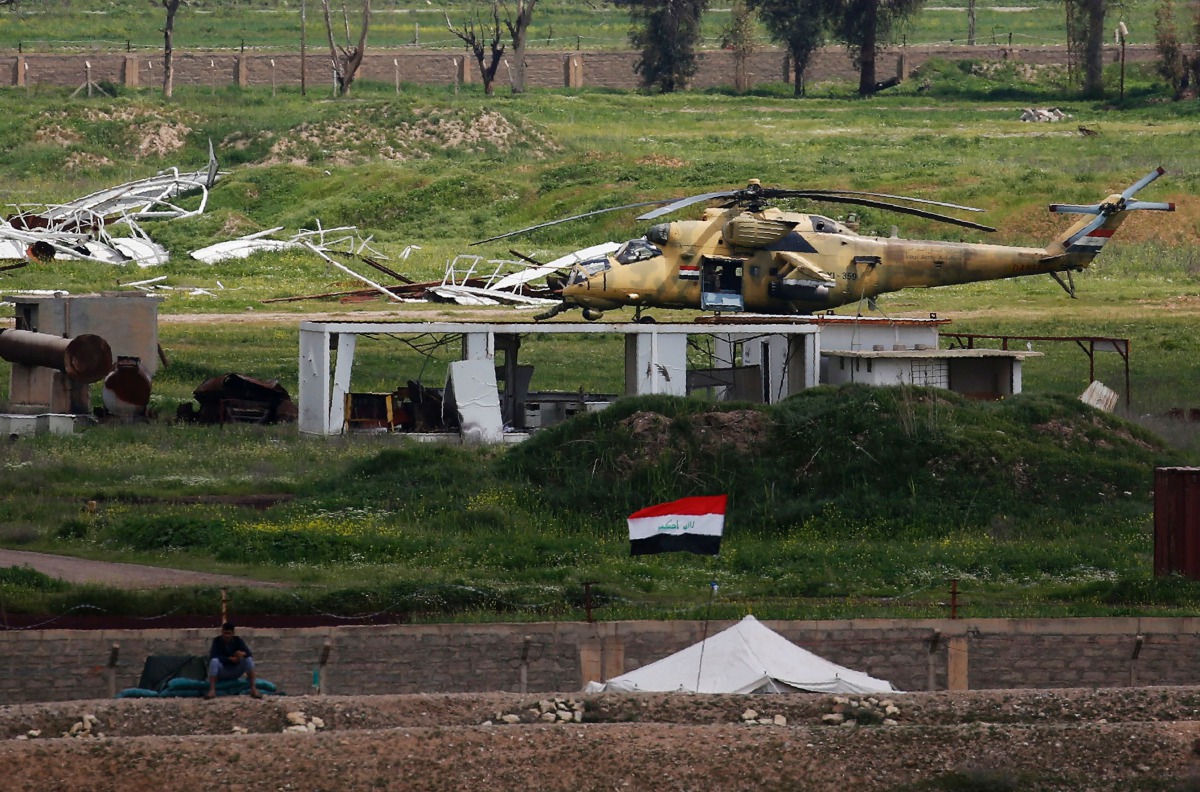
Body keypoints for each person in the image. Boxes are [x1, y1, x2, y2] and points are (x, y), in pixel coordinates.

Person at [206, 622, 262, 699]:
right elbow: (213, 656)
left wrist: (241, 654)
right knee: (214, 661)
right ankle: (212, 690)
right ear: (222, 632)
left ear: (232, 634)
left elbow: (248, 654)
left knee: (248, 660)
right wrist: (230, 659)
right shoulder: (217, 641)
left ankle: (253, 688)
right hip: (223, 671)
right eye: (225, 633)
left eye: (229, 633)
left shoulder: (237, 640)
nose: (226, 636)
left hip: (235, 670)